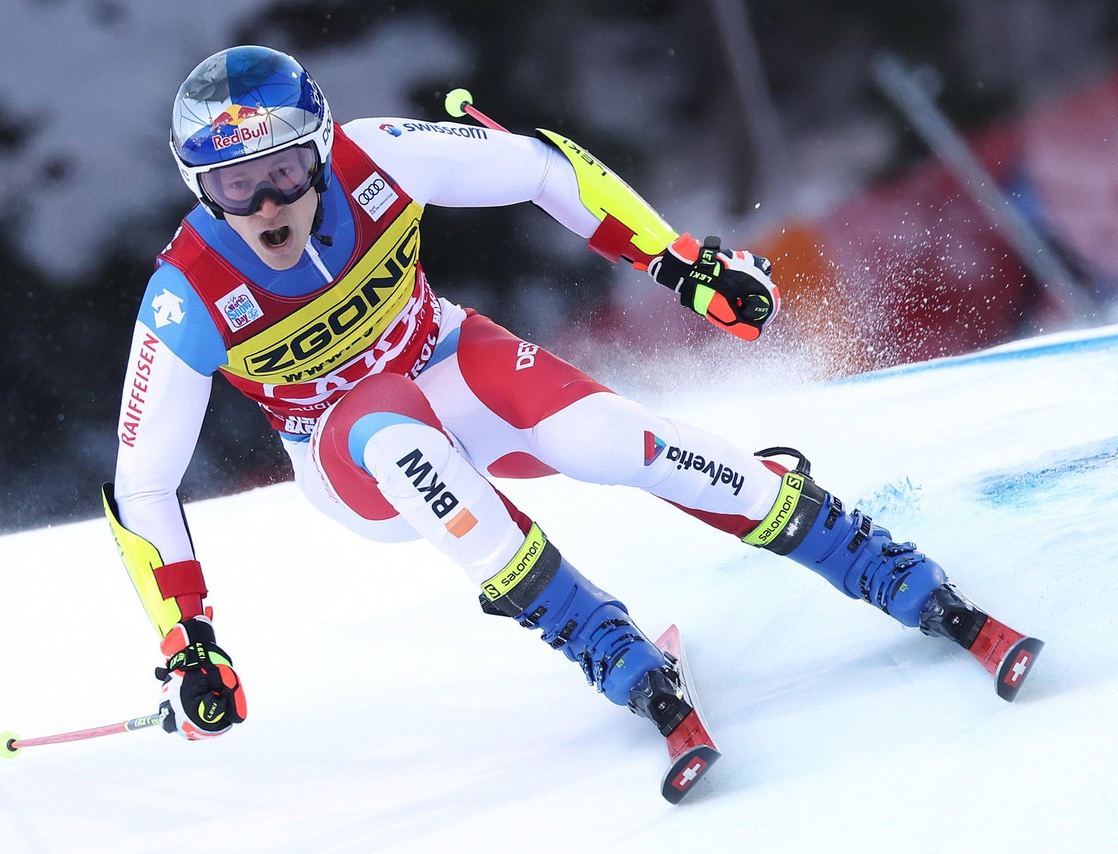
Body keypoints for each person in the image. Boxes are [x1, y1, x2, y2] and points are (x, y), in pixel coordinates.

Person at [103, 45, 1040, 743]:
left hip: (451, 360)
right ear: (199, 186)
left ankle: (871, 558)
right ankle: (598, 635)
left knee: (616, 442)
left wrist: (682, 266)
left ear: (318, 146)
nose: (266, 204)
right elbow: (142, 484)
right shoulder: (186, 294)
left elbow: (540, 166)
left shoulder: (376, 155)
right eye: (233, 184)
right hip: (349, 451)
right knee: (395, 429)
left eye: (281, 170)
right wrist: (191, 642)